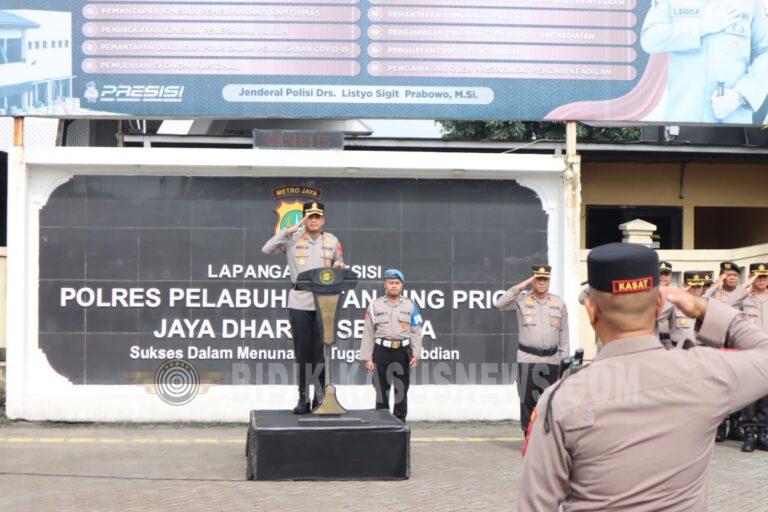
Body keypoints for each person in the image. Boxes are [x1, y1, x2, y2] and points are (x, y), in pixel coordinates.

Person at [519, 243, 768, 511]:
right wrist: (705, 309)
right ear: (660, 304)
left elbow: (535, 505)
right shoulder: (707, 373)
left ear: (591, 310)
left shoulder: (560, 400)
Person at [262, 201, 345, 414]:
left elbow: (340, 265)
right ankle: (303, 398)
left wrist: (338, 266)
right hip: (300, 301)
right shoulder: (292, 239)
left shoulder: (332, 240)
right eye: (310, 217)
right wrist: (288, 231)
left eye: (317, 217)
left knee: (320, 352)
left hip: (324, 302)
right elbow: (266, 249)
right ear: (304, 219)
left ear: (323, 220)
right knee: (302, 353)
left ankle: (320, 397)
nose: (314, 220)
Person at [641, 1, 768, 124]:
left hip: (733, 120)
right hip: (682, 120)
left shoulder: (752, 3)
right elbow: (649, 38)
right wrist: (700, 26)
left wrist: (740, 96)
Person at [494, 266, 569, 434]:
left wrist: (564, 364)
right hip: (527, 359)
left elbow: (564, 336)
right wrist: (522, 286)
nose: (542, 282)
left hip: (552, 360)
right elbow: (500, 304)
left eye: (545, 279)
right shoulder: (522, 300)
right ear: (532, 280)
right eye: (538, 279)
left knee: (551, 402)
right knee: (527, 401)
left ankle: (547, 439)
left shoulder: (558, 303)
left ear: (549, 281)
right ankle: (529, 438)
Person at [360, 269, 423, 422]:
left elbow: (416, 331)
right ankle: (382, 423)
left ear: (402, 285)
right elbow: (368, 332)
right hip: (381, 351)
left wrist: (416, 354)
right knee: (381, 389)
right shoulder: (375, 305)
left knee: (401, 389)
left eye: (397, 283)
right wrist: (367, 358)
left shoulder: (410, 305)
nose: (394, 286)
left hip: (402, 351)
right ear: (385, 284)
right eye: (391, 283)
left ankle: (400, 423)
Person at [706, 261, 750, 440]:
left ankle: (735, 425)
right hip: (718, 343)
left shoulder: (747, 294)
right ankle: (720, 426)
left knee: (738, 385)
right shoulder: (714, 293)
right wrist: (715, 285)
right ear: (721, 276)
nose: (731, 278)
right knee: (720, 384)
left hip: (737, 343)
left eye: (734, 275)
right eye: (728, 275)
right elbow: (704, 301)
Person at [740, 263, 768, 452]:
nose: (763, 280)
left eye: (765, 276)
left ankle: (763, 434)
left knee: (766, 394)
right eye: (759, 276)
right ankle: (749, 434)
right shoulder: (744, 298)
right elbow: (726, 305)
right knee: (749, 393)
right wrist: (745, 286)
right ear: (751, 277)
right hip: (750, 351)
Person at [668, 270, 711, 349]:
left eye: (699, 286)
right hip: (679, 350)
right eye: (693, 286)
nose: (696, 289)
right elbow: (659, 316)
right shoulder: (675, 303)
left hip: (701, 350)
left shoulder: (708, 305)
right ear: (685, 286)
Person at [656, 261, 674, 348]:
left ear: (670, 276)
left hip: (670, 344)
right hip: (653, 342)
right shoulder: (648, 295)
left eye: (666, 274)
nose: (663, 277)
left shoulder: (676, 295)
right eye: (660, 274)